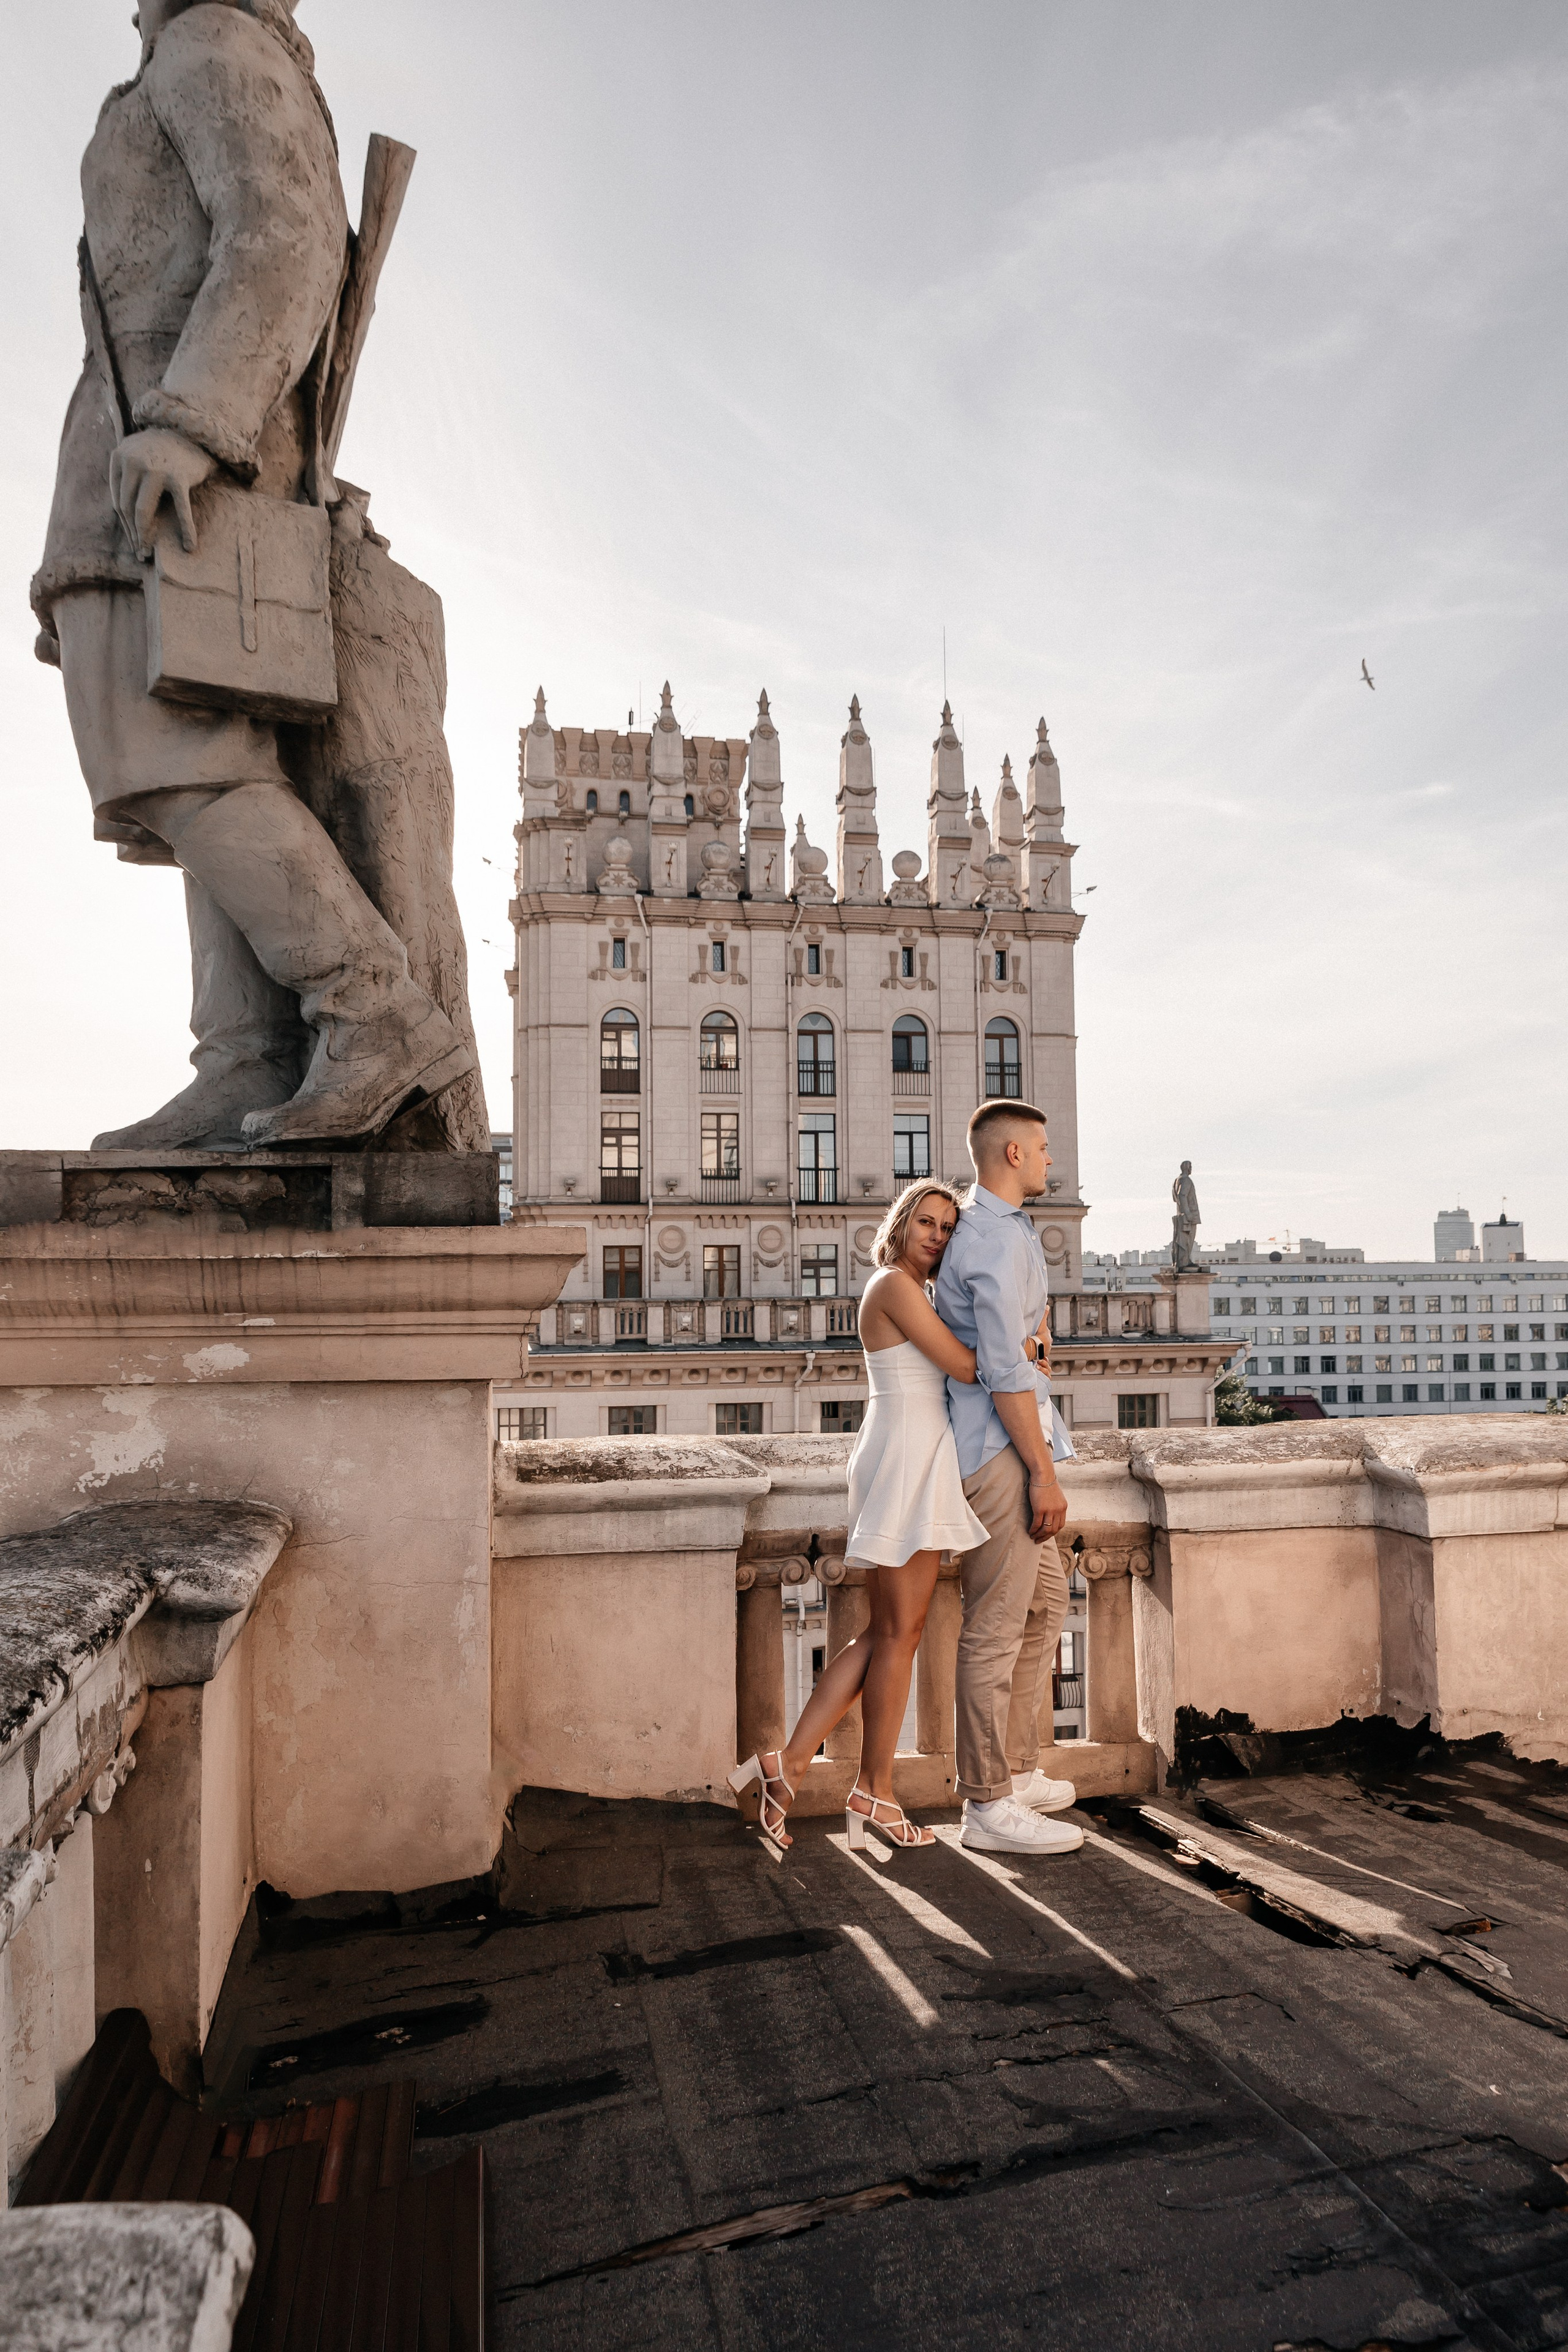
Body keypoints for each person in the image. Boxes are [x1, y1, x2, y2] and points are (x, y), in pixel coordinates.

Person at [31, 0, 478, 1150]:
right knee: (184, 768)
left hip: (184, 483)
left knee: (188, 762)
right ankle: (248, 1058)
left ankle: (370, 1009)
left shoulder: (214, 43)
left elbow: (286, 236)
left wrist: (196, 421)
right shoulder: (183, 59)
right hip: (149, 476)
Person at [729, 1182, 993, 1852]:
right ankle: (868, 1787)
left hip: (905, 1450)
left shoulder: (914, 1290)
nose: (935, 1235)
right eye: (925, 1222)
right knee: (899, 1634)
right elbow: (965, 1368)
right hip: (905, 1454)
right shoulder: (896, 1285)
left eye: (946, 1227)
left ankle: (791, 1766)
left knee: (887, 1633)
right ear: (901, 1225)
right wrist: (1020, 1341)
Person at [935, 1101, 1085, 1856]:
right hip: (999, 1453)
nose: (1053, 1160)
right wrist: (1040, 1474)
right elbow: (1002, 1371)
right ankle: (986, 1807)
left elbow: (1024, 1347)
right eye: (1046, 1147)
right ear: (1015, 1154)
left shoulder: (1004, 1229)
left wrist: (1035, 1345)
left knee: (1048, 1603)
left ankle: (1017, 1772)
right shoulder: (990, 1237)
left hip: (1016, 1440)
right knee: (994, 1630)